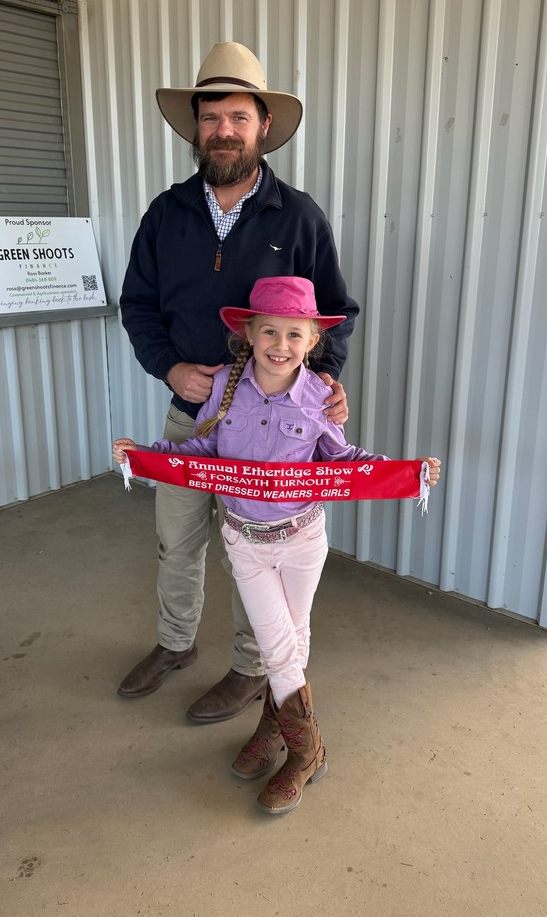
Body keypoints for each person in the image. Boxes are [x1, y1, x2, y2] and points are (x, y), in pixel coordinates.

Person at [113, 276, 440, 814]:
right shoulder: (223, 389)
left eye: (294, 334)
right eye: (269, 332)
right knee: (279, 645)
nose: (281, 345)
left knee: (291, 639)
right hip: (246, 542)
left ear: (312, 340)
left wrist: (404, 473)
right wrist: (145, 455)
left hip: (302, 541)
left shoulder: (319, 400)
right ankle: (309, 752)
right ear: (249, 334)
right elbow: (202, 447)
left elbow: (341, 459)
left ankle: (277, 735)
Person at [118, 42, 360, 722]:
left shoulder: (299, 217)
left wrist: (322, 383)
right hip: (191, 420)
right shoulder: (166, 216)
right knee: (177, 541)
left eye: (237, 116)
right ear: (197, 128)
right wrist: (168, 366)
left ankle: (254, 668)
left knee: (263, 549)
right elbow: (138, 307)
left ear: (262, 127)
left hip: (274, 429)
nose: (223, 129)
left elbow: (334, 315)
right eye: (211, 117)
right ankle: (174, 644)